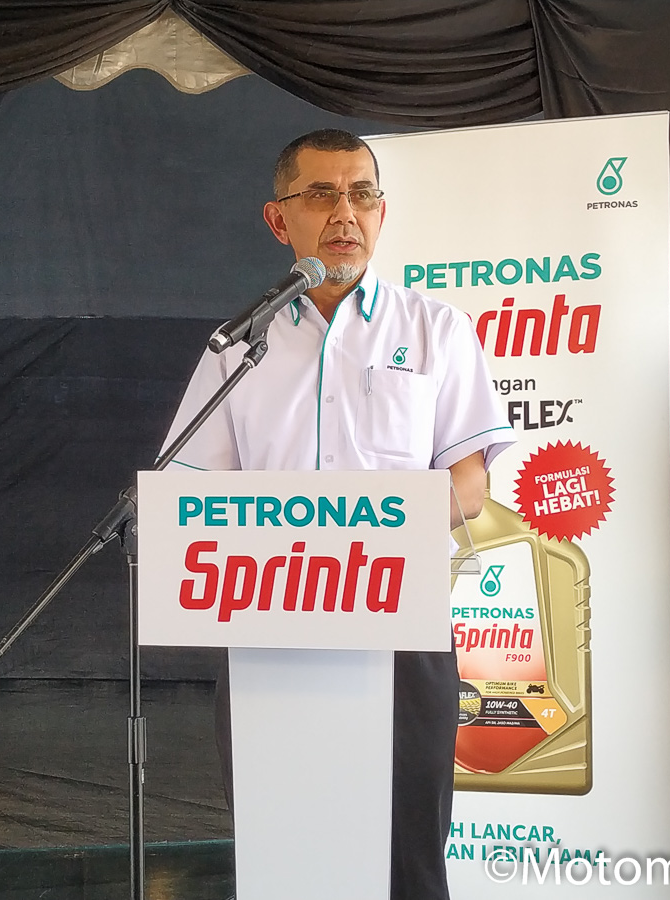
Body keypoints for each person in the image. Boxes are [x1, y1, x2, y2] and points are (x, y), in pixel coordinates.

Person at [161, 128, 513, 900]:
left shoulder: (435, 329)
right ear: (278, 219)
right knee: (285, 858)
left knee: (407, 859)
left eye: (362, 194)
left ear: (383, 211)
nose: (345, 212)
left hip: (400, 630)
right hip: (271, 634)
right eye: (321, 194)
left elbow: (469, 484)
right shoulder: (237, 349)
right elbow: (192, 494)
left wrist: (358, 543)